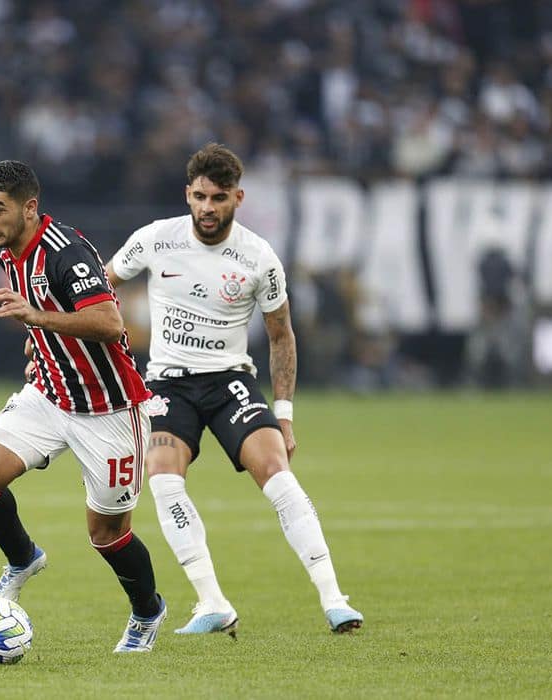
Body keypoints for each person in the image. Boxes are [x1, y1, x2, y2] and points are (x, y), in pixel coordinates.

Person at [105, 143, 363, 635]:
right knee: (160, 474)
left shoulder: (258, 258)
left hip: (230, 383)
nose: (207, 207)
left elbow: (281, 334)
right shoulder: (156, 239)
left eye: (218, 197)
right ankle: (212, 602)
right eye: (199, 196)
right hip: (167, 384)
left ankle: (334, 599)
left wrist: (283, 413)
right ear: (187, 193)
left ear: (237, 198)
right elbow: (101, 284)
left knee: (277, 472)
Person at [0, 160, 167, 653]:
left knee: (107, 534)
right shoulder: (11, 248)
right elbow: (49, 315)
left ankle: (147, 611)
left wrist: (36, 317)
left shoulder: (65, 252)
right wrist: (39, 339)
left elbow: (110, 322)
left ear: (29, 208)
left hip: (109, 409)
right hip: (50, 394)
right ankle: (23, 558)